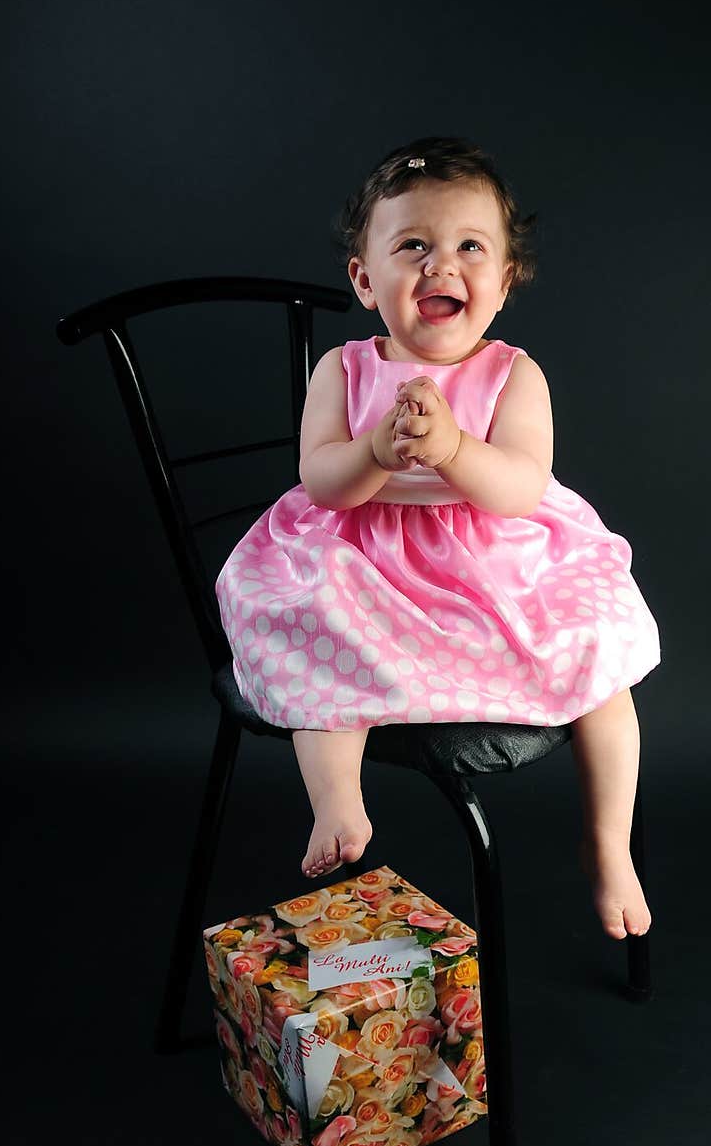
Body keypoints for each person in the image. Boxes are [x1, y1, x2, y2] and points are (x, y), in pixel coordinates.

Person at [215, 136, 662, 940]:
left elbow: (522, 486)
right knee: (319, 625)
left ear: (505, 281)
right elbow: (322, 481)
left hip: (493, 564)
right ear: (364, 278)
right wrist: (376, 453)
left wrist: (455, 449)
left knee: (601, 657)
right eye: (412, 245)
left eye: (469, 247)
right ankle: (337, 801)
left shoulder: (512, 373)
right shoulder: (344, 371)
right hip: (364, 557)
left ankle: (609, 844)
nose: (441, 265)